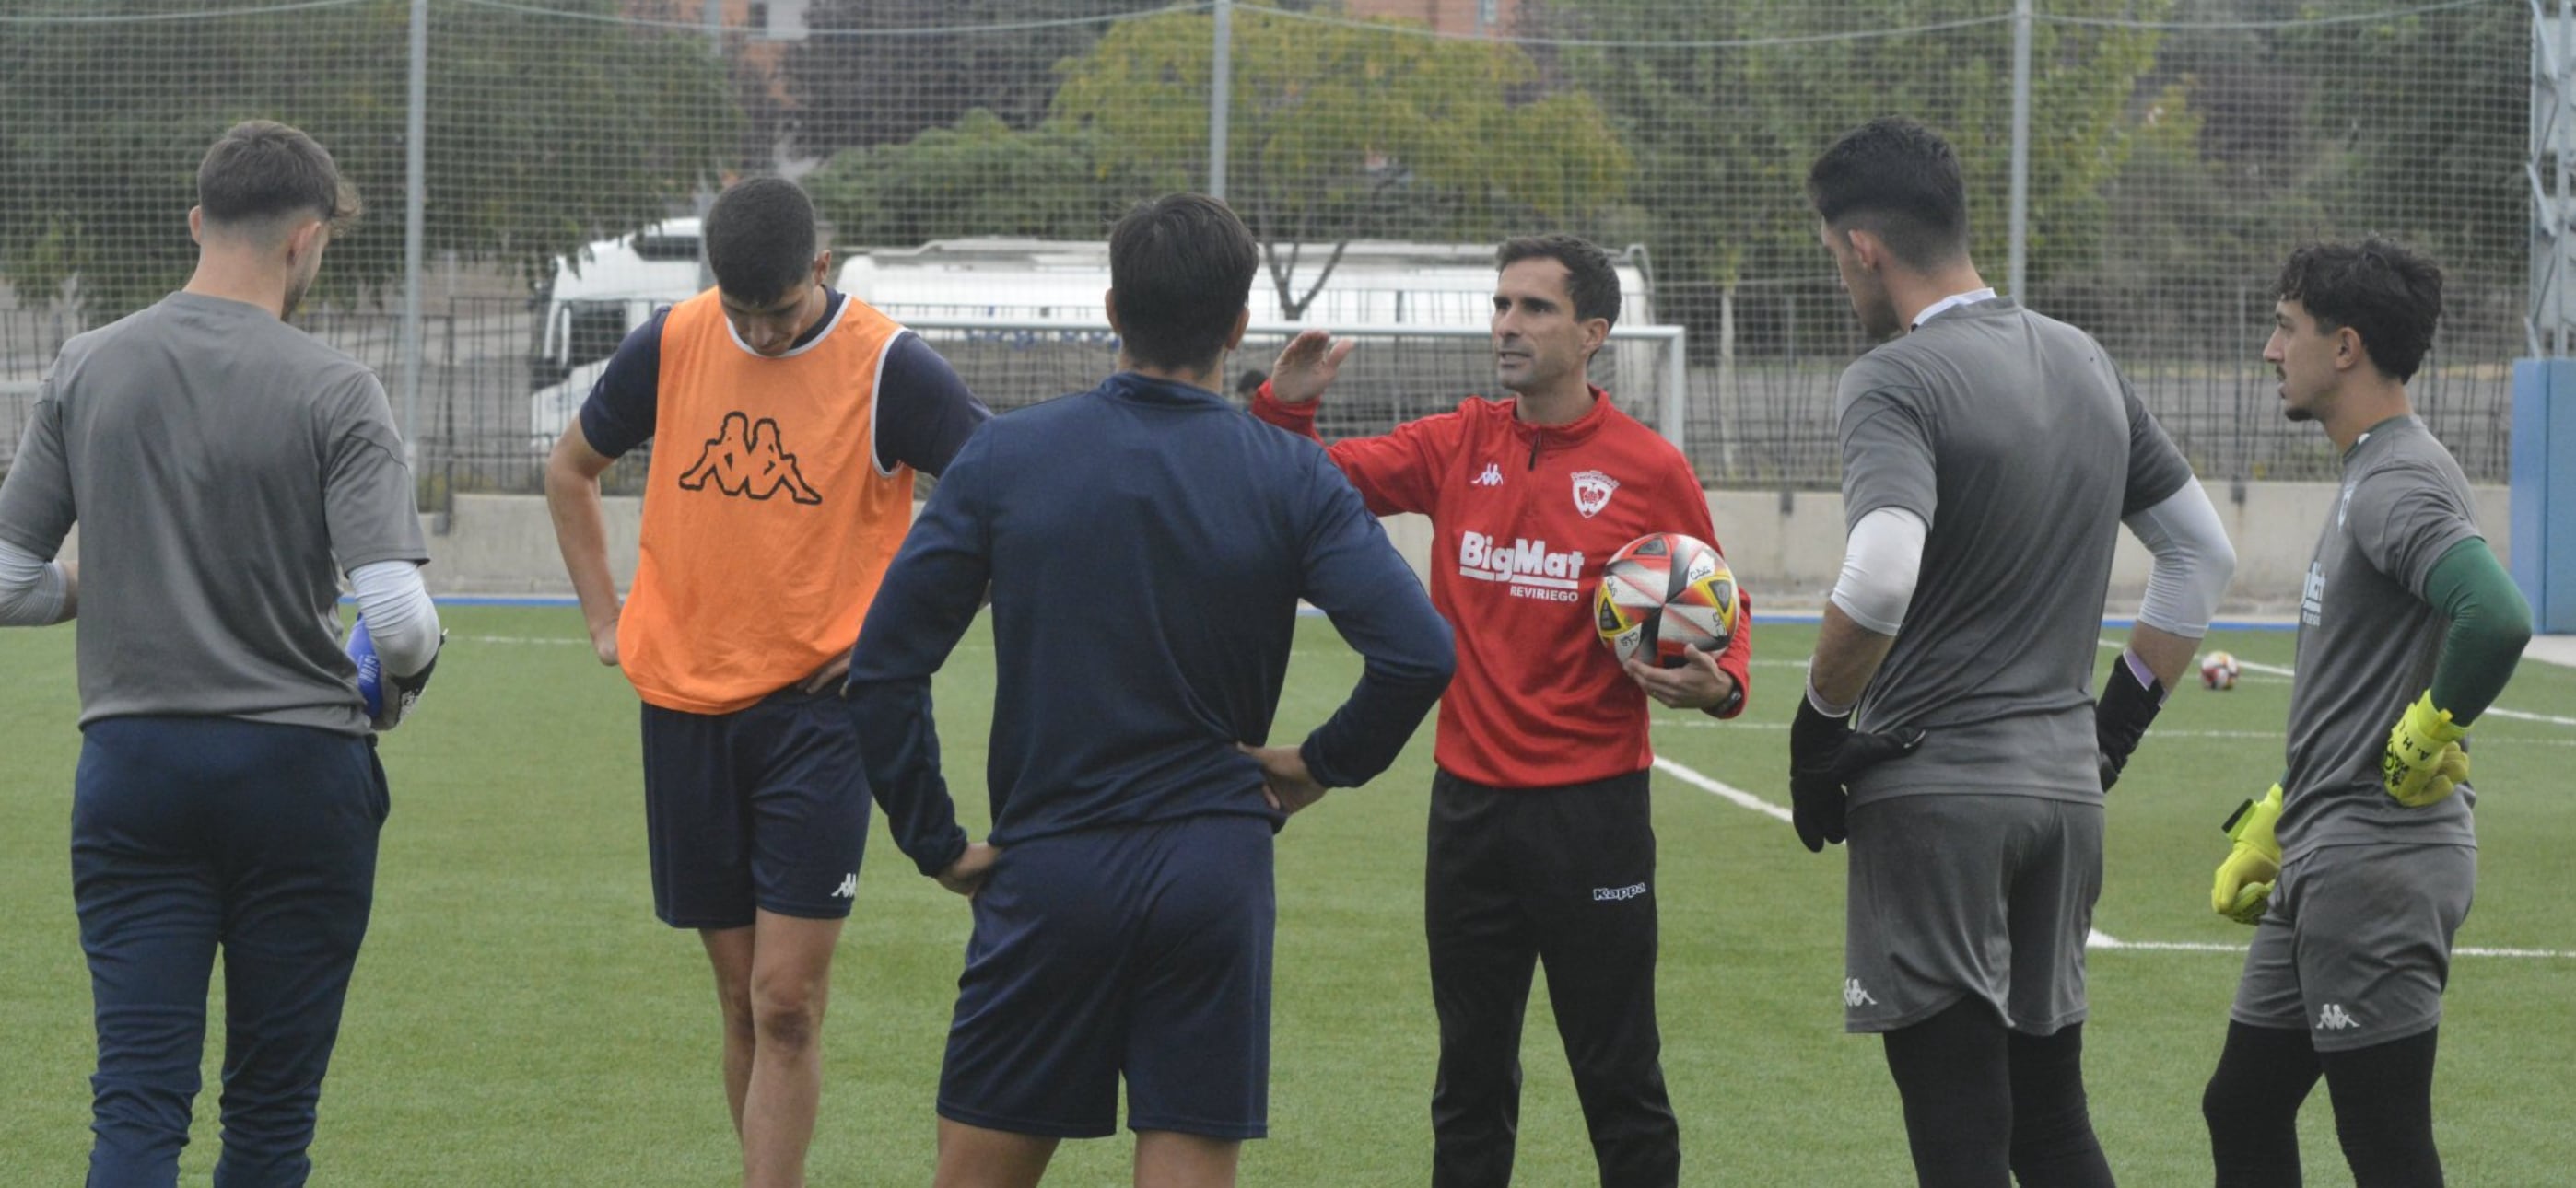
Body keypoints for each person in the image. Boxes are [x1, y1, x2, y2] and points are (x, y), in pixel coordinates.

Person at [842, 192, 1454, 1188]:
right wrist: (1317, 765)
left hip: (1049, 871)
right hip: (1214, 873)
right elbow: (1419, 653)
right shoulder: (1290, 476)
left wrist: (937, 842)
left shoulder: (1005, 457)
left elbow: (884, 669)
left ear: (1113, 309)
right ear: (1240, 326)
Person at [1248, 232, 1750, 1188]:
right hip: (1468, 813)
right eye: (1502, 305)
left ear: (1593, 332)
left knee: (1620, 1081)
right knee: (1470, 1081)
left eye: (1536, 308)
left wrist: (1722, 687)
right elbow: (1299, 485)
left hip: (1593, 816)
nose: (1508, 325)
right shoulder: (1455, 442)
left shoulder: (1647, 468)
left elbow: (1723, 610)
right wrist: (1287, 403)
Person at [1789, 115, 2236, 1187]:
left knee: (1959, 1131)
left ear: (1863, 247)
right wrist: (2108, 736)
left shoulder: (1893, 380)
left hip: (1937, 790)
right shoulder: (2081, 356)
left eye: (1829, 252)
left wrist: (1815, 730)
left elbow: (1884, 569)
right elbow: (2201, 556)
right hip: (2063, 798)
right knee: (2051, 1119)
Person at [0, 120, 443, 1187]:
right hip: (298, 774)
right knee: (270, 1120)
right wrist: (397, 694)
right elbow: (400, 619)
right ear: (307, 240)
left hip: (135, 767)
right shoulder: (338, 389)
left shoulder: (84, 366)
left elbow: (9, 581)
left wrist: (116, 581)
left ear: (199, 221)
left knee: (138, 1110)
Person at [542, 175, 990, 1188]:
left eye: (780, 310)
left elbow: (1000, 500)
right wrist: (606, 620)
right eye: (742, 311)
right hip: (685, 711)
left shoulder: (888, 367)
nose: (763, 333)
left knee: (788, 1001)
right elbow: (570, 470)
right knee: (742, 998)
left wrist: (899, 636)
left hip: (818, 722)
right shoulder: (670, 341)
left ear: (821, 271)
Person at [2200, 239, 2530, 1188]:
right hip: (2327, 845)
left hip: (2380, 862)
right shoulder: (2371, 472)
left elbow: (2497, 615)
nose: (2271, 350)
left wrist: (2431, 728)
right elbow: (2364, 674)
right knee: (2243, 1106)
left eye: (2285, 327)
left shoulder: (2396, 481)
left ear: (2344, 347)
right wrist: (2282, 808)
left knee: (2384, 1140)